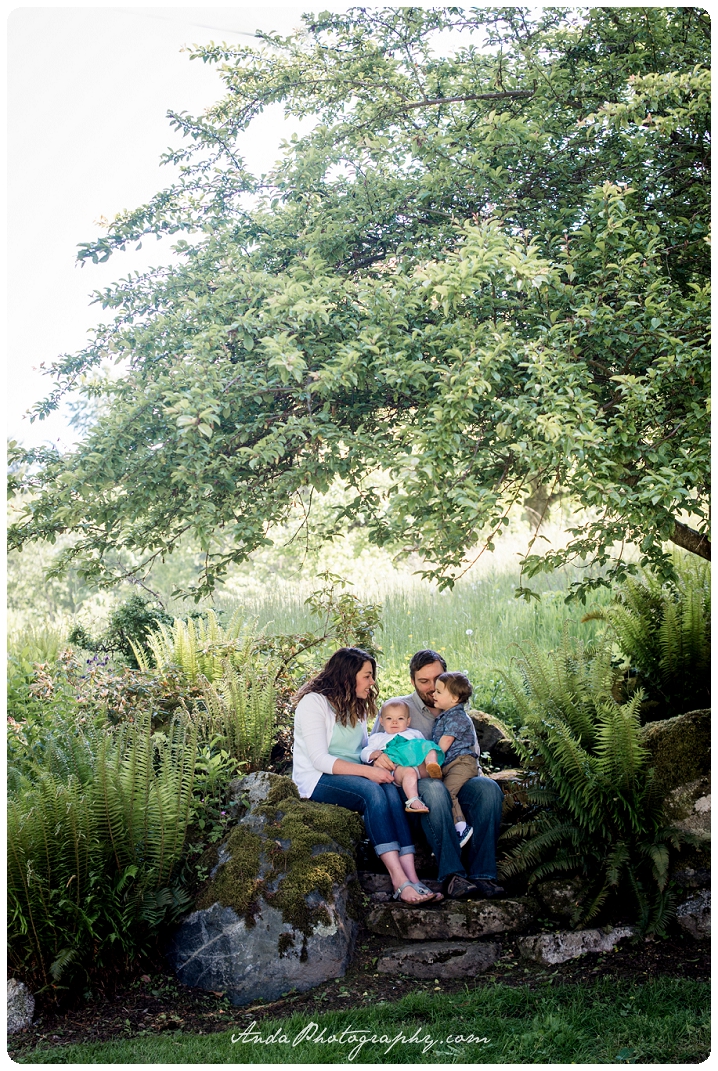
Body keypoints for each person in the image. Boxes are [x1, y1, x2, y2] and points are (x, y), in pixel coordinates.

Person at [292, 646, 440, 904]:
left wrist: (376, 758)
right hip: (318, 778)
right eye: (367, 676)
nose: (372, 682)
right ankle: (399, 881)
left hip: (355, 773)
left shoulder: (356, 705)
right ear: (347, 676)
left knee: (391, 792)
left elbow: (362, 748)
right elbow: (319, 759)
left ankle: (413, 878)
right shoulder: (314, 703)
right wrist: (368, 771)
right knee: (372, 792)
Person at [380, 649, 505, 900]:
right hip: (416, 795)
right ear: (412, 681)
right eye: (423, 681)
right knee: (435, 789)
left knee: (488, 789)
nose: (430, 688)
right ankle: (452, 875)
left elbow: (471, 758)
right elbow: (380, 756)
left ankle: (482, 874)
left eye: (436, 680)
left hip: (453, 780)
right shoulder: (396, 710)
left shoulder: (457, 711)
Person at [361, 699, 443, 815]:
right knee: (409, 772)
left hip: (419, 765)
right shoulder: (378, 738)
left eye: (400, 718)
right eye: (389, 718)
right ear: (381, 721)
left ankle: (432, 765)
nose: (394, 722)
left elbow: (423, 748)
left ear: (408, 721)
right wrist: (371, 754)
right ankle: (413, 800)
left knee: (429, 746)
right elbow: (364, 752)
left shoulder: (414, 733)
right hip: (398, 768)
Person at [431, 671, 480, 847]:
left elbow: (445, 741)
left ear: (454, 698)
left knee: (447, 792)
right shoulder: (446, 715)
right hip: (452, 764)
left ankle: (461, 826)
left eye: (438, 691)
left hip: (462, 763)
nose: (433, 694)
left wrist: (432, 757)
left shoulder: (457, 717)